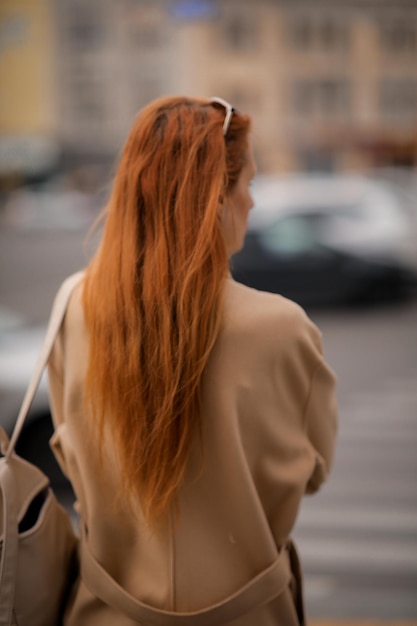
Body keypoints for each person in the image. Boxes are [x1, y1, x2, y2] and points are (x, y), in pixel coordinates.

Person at [48, 95, 338, 625]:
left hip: (100, 613)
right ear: (216, 199)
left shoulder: (73, 304)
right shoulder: (281, 326)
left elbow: (71, 456)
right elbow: (312, 470)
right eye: (248, 183)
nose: (252, 202)